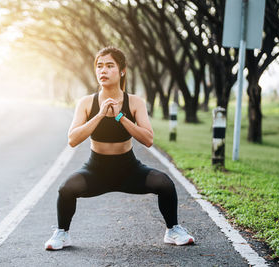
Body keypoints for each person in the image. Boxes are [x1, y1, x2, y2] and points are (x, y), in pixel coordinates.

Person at [45, 47, 194, 250]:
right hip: (96, 170)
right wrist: (99, 116)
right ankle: (62, 234)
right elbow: (72, 139)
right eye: (99, 66)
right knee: (67, 188)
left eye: (109, 66)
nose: (103, 71)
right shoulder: (87, 103)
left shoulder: (134, 102)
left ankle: (173, 230)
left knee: (164, 183)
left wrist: (120, 116)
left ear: (122, 70)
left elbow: (148, 139)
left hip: (129, 169)